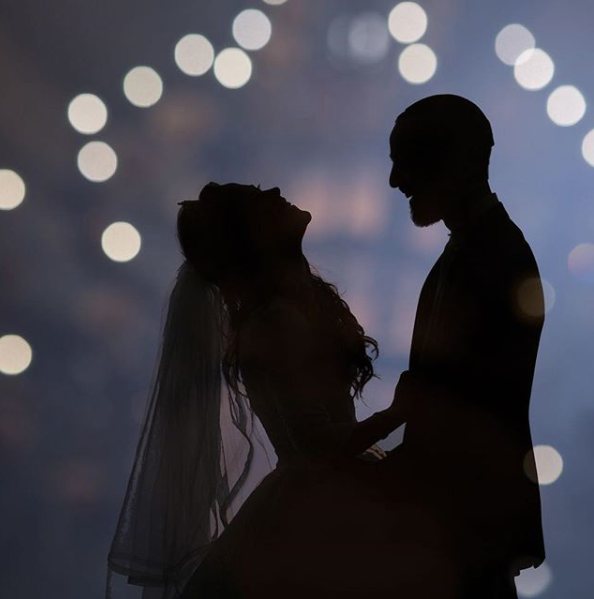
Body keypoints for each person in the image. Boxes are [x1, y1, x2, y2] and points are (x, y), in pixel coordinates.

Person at [106, 182, 429, 599]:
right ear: (252, 238)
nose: (276, 190)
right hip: (318, 516)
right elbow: (313, 445)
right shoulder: (274, 323)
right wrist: (397, 414)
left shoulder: (282, 313)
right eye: (260, 197)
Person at [386, 94, 546, 598]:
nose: (395, 180)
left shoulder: (493, 257)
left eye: (405, 161)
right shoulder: (481, 248)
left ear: (451, 163)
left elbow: (467, 407)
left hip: (462, 521)